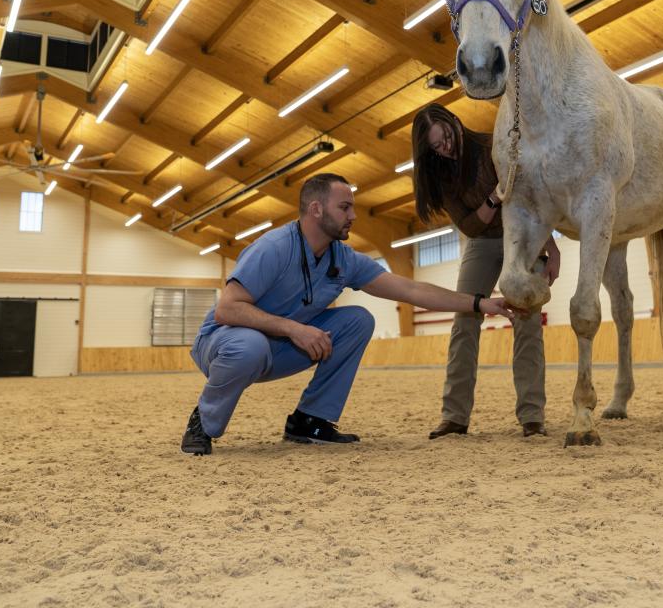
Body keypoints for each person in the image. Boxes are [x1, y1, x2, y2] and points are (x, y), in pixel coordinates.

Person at [180, 172, 517, 455]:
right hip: (224, 345)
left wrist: (478, 303)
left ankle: (310, 421)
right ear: (315, 209)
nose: (353, 215)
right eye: (344, 207)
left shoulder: (343, 258)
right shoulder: (274, 247)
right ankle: (203, 423)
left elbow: (411, 290)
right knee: (249, 346)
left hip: (281, 348)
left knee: (357, 320)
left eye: (352, 207)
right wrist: (294, 329)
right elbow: (227, 309)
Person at [410, 104, 560, 439]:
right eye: (435, 146)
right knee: (464, 320)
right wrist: (493, 198)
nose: (445, 147)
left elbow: (528, 200)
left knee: (528, 323)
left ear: (454, 123)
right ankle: (454, 416)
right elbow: (470, 226)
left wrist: (552, 249)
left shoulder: (492, 147)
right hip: (481, 242)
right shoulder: (439, 174)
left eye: (446, 137)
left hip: (520, 236)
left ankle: (532, 415)